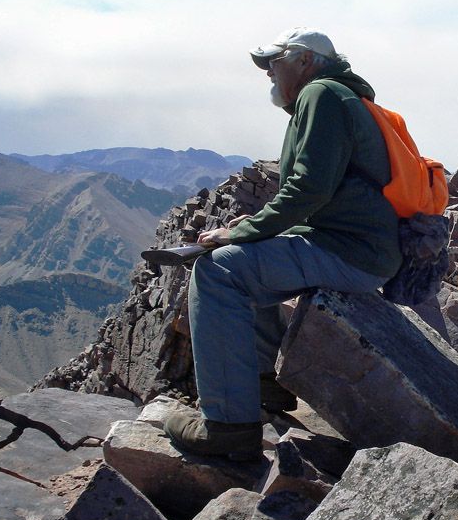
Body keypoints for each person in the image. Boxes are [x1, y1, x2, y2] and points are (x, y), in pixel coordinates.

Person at [163, 27, 402, 459]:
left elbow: (309, 190)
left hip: (353, 254)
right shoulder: (339, 96)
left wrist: (240, 232)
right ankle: (260, 386)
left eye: (274, 63)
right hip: (354, 246)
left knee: (219, 271)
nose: (268, 73)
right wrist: (254, 225)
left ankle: (228, 429)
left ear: (304, 61)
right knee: (242, 258)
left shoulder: (322, 95)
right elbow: (322, 195)